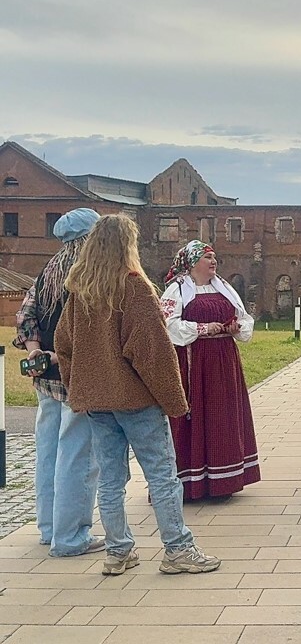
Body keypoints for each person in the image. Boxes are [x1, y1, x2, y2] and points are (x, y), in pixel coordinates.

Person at [54, 214, 220, 576]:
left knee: (110, 479)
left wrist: (79, 383)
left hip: (97, 402)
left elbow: (63, 345)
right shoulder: (134, 287)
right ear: (127, 245)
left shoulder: (81, 290)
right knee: (161, 474)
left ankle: (118, 551)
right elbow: (152, 351)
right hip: (137, 400)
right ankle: (177, 549)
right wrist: (174, 399)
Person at [12, 208, 102, 557]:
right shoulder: (88, 275)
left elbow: (25, 316)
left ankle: (49, 529)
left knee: (48, 453)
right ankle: (71, 536)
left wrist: (36, 352)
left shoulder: (49, 270)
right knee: (77, 457)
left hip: (44, 380)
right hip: (76, 377)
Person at [160, 240, 260, 500]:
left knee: (222, 416)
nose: (213, 262)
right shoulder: (177, 290)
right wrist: (202, 329)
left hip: (224, 362)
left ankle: (224, 480)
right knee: (195, 415)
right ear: (193, 263)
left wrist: (235, 327)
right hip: (194, 363)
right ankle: (191, 483)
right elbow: (167, 326)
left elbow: (244, 316)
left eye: (214, 257)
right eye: (207, 258)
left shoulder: (224, 287)